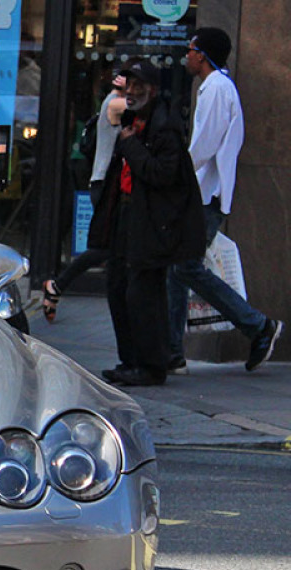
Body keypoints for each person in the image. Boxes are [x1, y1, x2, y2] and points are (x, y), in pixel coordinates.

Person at [164, 27, 282, 373]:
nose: (186, 55)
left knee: (184, 267)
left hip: (203, 195)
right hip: (203, 193)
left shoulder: (215, 88)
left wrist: (175, 175)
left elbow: (203, 146)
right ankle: (173, 352)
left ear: (202, 54)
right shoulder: (216, 87)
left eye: (191, 49)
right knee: (178, 270)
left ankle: (258, 325)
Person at [101, 58, 206, 387]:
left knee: (143, 294)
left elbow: (162, 174)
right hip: (128, 214)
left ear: (153, 90)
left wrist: (130, 144)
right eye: (128, 85)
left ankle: (151, 364)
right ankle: (130, 360)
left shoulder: (164, 126)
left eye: (138, 86)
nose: (131, 92)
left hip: (151, 221)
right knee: (118, 286)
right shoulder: (133, 120)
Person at [40, 73, 127, 322]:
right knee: (105, 247)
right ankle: (57, 285)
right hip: (104, 184)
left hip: (111, 186)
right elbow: (140, 109)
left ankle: (57, 286)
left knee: (114, 251)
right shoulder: (114, 103)